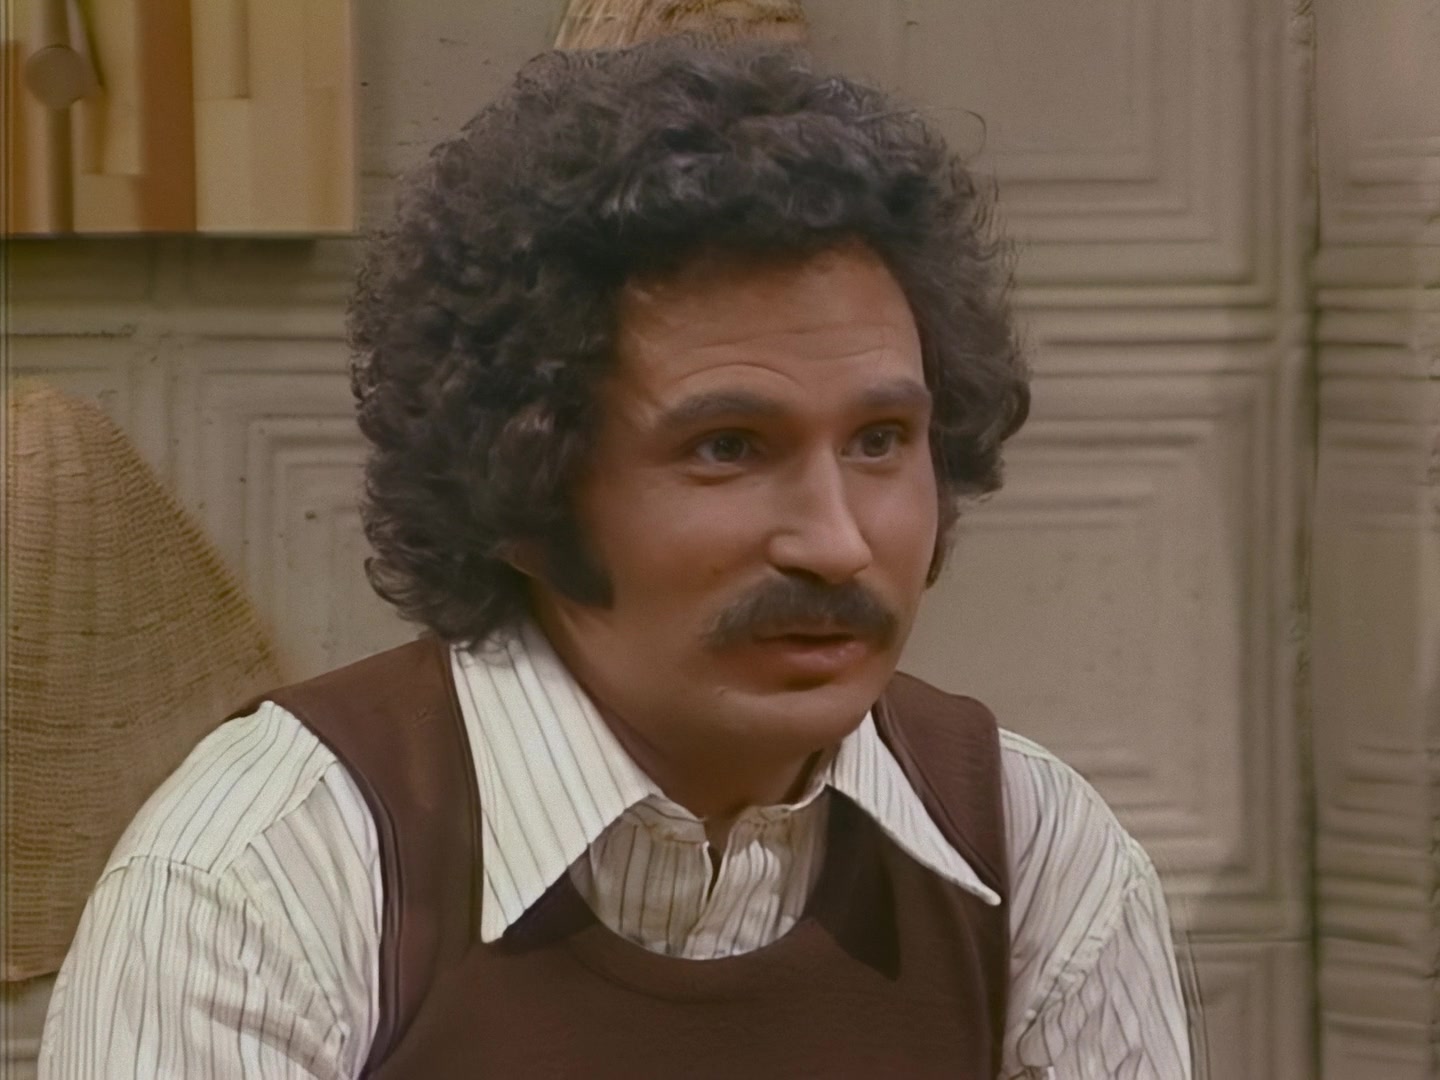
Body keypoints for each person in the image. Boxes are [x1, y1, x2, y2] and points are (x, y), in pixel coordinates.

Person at [40, 38, 1192, 1079]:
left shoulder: (1037, 854)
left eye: (881, 440)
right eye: (729, 448)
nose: (839, 541)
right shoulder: (258, 879)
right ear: (523, 484)